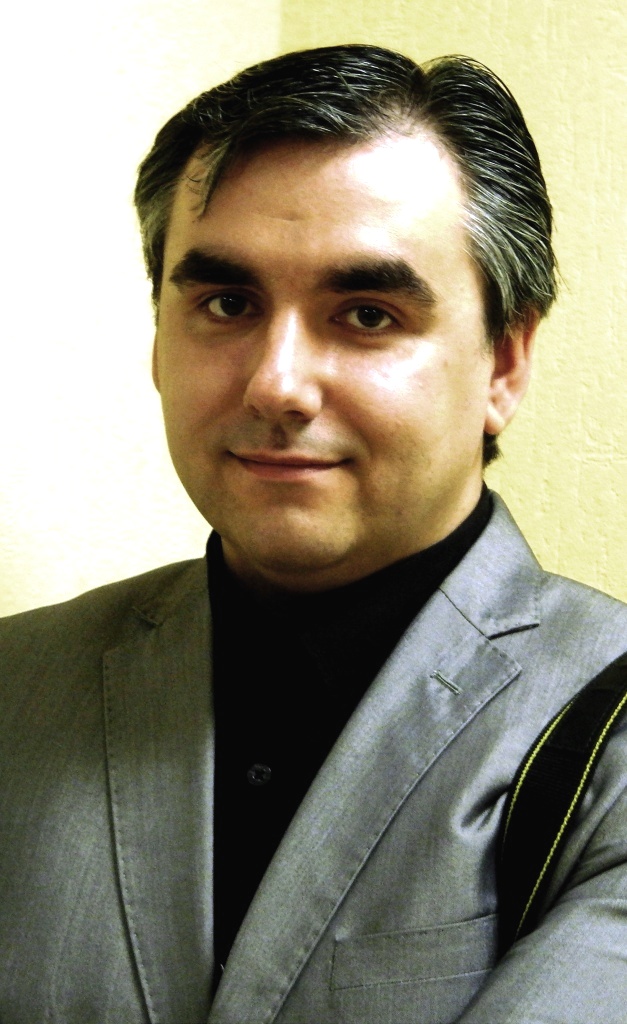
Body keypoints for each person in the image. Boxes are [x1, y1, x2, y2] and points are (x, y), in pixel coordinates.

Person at [1, 44, 626, 1024]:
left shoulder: (606, 729)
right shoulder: (17, 685)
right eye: (226, 303)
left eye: (367, 314)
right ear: (159, 339)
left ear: (504, 363)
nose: (275, 384)